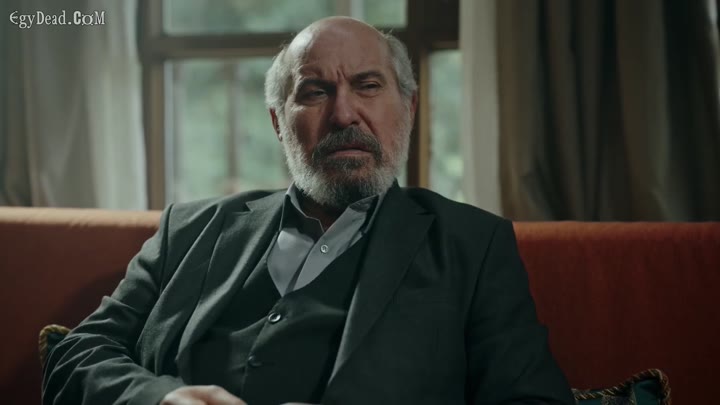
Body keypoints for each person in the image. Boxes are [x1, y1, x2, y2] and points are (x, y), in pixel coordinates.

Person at [42, 16, 574, 405]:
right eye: (316, 92)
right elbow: (76, 354)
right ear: (279, 122)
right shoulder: (189, 229)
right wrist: (160, 398)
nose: (345, 114)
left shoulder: (473, 245)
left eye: (368, 86)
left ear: (409, 108)